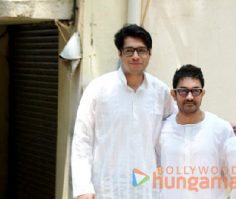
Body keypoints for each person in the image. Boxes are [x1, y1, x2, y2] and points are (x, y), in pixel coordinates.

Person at [71, 24, 176, 199]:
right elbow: (82, 140)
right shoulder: (98, 89)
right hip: (106, 188)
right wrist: (83, 188)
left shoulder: (160, 92)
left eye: (141, 50)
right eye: (129, 51)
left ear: (149, 54)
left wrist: (228, 130)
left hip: (146, 189)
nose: (136, 56)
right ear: (120, 53)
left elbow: (178, 127)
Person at [157, 64, 235, 199]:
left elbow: (234, 174)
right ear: (173, 94)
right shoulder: (160, 131)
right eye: (183, 91)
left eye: (195, 91)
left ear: (202, 93)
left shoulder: (221, 129)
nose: (189, 97)